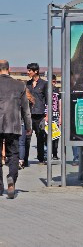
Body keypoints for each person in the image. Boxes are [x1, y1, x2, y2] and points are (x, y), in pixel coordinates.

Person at [0, 60, 32, 198]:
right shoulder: (20, 85)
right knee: (13, 154)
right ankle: (11, 178)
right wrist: (29, 126)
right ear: (9, 69)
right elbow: (26, 110)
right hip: (13, 125)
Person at [26, 62, 48, 164]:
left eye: (30, 70)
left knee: (40, 138)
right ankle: (24, 159)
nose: (28, 72)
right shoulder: (27, 84)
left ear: (36, 71)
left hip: (40, 115)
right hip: (29, 115)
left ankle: (41, 159)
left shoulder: (44, 84)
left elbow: (48, 100)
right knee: (27, 138)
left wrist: (47, 116)